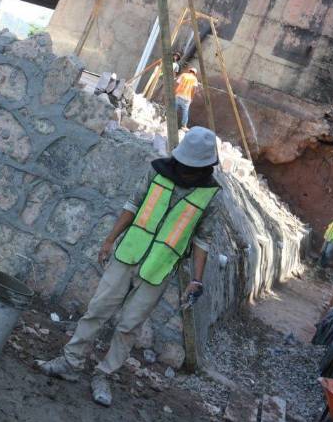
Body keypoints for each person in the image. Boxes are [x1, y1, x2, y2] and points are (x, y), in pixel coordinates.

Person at [39, 127, 221, 406]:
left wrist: (196, 280)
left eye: (194, 168)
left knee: (129, 326)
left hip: (158, 268)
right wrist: (109, 240)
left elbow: (203, 240)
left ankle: (104, 374)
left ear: (205, 167)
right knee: (97, 310)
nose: (188, 172)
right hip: (128, 253)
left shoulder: (210, 196)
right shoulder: (157, 172)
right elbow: (133, 205)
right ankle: (70, 362)